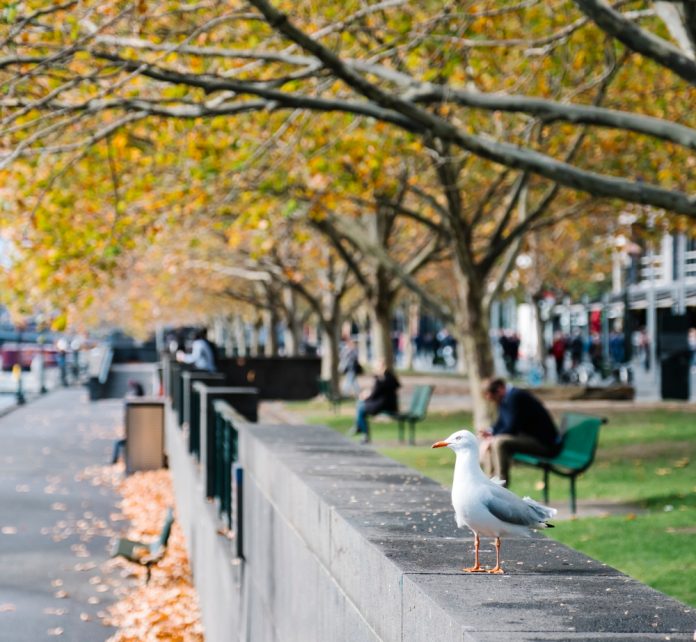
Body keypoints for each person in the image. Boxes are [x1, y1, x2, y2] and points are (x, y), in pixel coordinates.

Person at [478, 377, 561, 487]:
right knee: (492, 441)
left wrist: (492, 438)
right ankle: (489, 482)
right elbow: (502, 422)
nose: (495, 402)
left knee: (499, 442)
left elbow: (512, 427)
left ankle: (501, 485)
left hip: (544, 444)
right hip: (529, 438)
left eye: (494, 398)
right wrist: (490, 432)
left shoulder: (515, 397)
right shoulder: (506, 398)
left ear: (499, 389)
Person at [350, 358, 400, 444]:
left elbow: (375, 394)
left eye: (376, 368)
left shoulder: (384, 378)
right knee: (360, 405)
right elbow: (377, 392)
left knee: (361, 408)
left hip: (385, 404)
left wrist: (365, 396)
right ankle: (359, 427)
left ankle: (363, 432)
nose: (375, 370)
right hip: (382, 403)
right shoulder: (384, 377)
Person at [111, 379, 145, 464]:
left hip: (135, 438)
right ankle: (116, 460)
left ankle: (114, 460)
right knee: (119, 443)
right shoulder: (138, 408)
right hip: (135, 436)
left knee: (117, 443)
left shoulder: (135, 411)